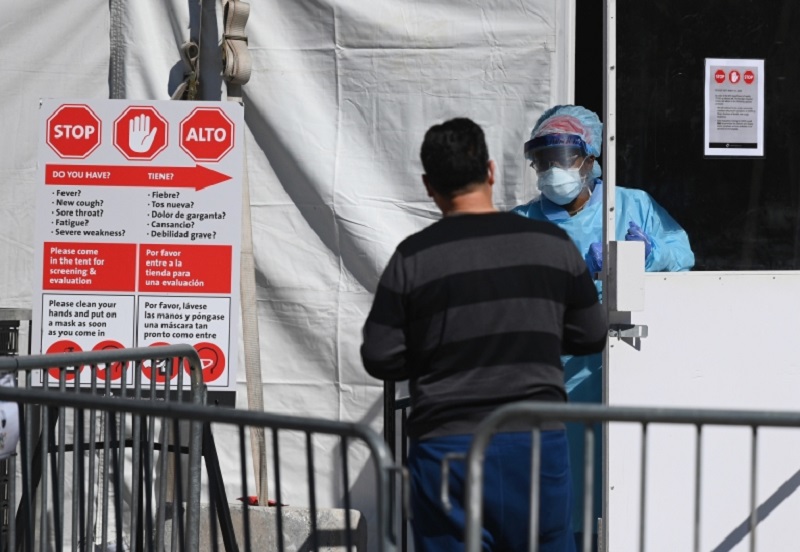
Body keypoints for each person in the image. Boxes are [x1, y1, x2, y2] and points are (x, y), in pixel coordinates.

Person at [361, 117, 608, 552]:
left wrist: (433, 352)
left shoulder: (414, 257)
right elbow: (591, 335)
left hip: (448, 450)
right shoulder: (553, 246)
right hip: (536, 445)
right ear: (491, 172)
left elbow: (380, 356)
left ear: (428, 185)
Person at [512, 104, 695, 548]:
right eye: (543, 160)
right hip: (552, 382)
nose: (553, 170)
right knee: (556, 498)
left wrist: (647, 258)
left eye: (563, 158)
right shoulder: (521, 224)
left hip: (622, 373)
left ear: (591, 158)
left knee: (621, 488)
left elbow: (684, 258)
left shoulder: (631, 206)